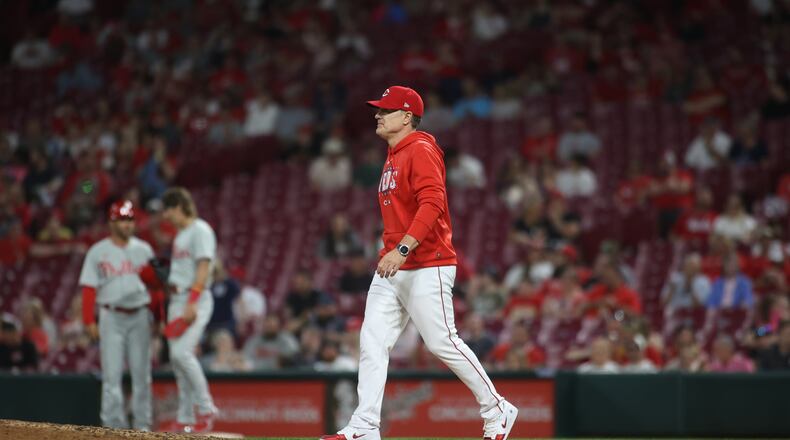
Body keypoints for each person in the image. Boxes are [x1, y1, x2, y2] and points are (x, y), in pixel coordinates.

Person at [321, 86, 518, 440]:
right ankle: (365, 426)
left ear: (407, 115)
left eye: (386, 110)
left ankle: (496, 408)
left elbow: (433, 204)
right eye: (378, 110)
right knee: (371, 341)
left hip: (427, 261)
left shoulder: (421, 149)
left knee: (442, 341)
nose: (377, 115)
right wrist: (394, 252)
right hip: (394, 264)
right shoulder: (394, 153)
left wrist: (403, 249)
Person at [77, 200, 155, 431]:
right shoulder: (98, 251)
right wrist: (89, 320)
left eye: (130, 219)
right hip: (111, 316)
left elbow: (157, 287)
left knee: (142, 375)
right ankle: (113, 428)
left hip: (140, 315)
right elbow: (89, 288)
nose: (127, 224)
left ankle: (143, 427)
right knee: (111, 376)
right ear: (112, 222)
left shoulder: (144, 249)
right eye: (122, 219)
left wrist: (159, 317)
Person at [160, 187, 219, 433]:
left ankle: (206, 409)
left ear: (178, 207)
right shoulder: (181, 234)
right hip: (177, 299)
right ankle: (185, 417)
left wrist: (192, 302)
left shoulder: (200, 229)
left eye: (168, 209)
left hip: (194, 299)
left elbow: (203, 267)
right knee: (177, 361)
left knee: (182, 354)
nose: (165, 215)